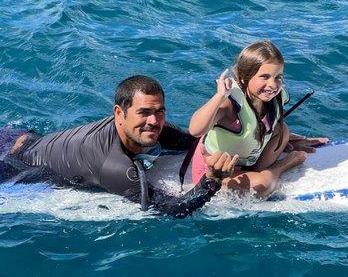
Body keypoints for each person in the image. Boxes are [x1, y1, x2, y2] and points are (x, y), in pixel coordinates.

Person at [0, 75, 238, 218]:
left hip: (22, 137)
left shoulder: (147, 128)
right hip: (16, 165)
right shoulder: (114, 166)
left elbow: (192, 141)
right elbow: (170, 209)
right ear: (119, 113)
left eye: (160, 112)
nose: (154, 122)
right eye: (144, 112)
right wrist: (211, 181)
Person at [189, 40, 328, 197]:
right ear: (243, 78)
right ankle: (282, 165)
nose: (273, 84)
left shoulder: (272, 99)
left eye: (278, 77)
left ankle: (256, 170)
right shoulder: (231, 105)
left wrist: (287, 139)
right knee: (264, 184)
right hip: (216, 171)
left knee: (282, 130)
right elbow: (195, 130)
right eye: (265, 77)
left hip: (246, 161)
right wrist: (219, 96)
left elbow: (262, 128)